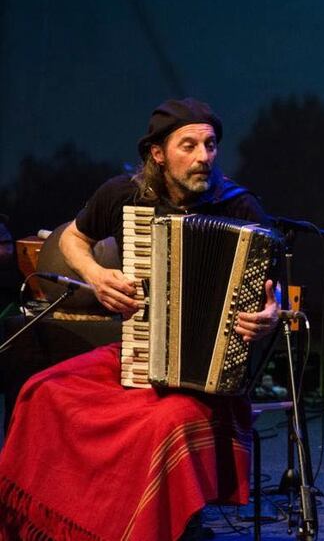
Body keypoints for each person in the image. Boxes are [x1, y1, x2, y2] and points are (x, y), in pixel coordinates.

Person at [0, 98, 280, 540]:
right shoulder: (124, 195)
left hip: (210, 379)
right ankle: (62, 524)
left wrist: (269, 312)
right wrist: (94, 273)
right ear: (157, 153)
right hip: (139, 353)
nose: (203, 157)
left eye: (210, 145)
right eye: (188, 146)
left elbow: (272, 289)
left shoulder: (239, 208)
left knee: (160, 427)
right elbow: (74, 237)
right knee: (41, 392)